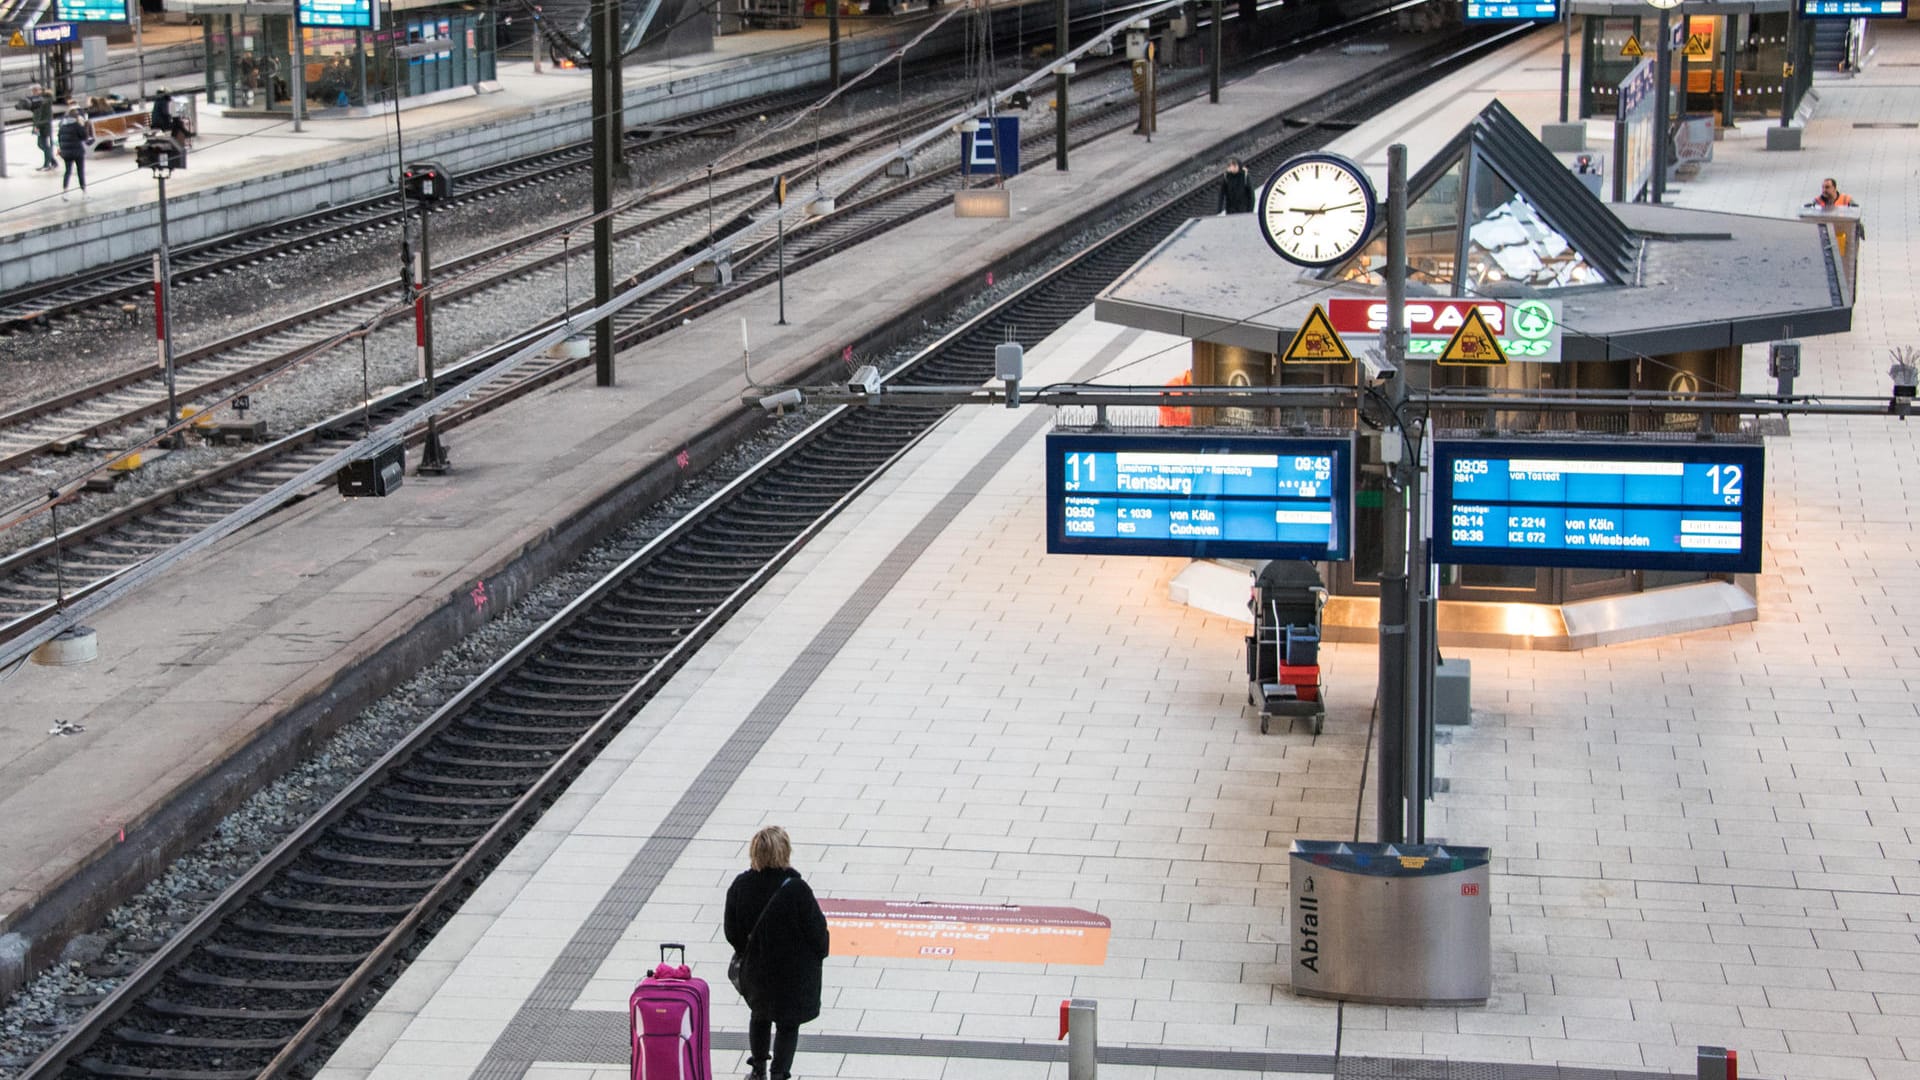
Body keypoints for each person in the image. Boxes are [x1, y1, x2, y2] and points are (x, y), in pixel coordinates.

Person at [724, 826, 828, 1080]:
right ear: (785, 852)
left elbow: (732, 931)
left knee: (759, 1015)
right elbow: (817, 934)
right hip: (793, 973)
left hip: (757, 970)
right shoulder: (797, 889)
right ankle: (780, 1074)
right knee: (787, 1024)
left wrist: (749, 951)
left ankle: (758, 1068)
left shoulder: (741, 886)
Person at [56, 107, 93, 200]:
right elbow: (84, 137)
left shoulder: (62, 126)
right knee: (80, 171)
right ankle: (84, 192)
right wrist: (84, 125)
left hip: (66, 153)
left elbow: (59, 139)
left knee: (67, 171)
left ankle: (65, 192)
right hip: (77, 152)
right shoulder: (77, 125)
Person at [20, 85, 57, 170]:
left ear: (39, 90)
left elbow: (39, 113)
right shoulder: (38, 99)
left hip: (44, 125)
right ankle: (52, 162)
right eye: (32, 91)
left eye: (34, 91)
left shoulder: (44, 99)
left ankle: (47, 164)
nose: (33, 92)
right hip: (40, 124)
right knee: (41, 144)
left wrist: (36, 126)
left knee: (43, 144)